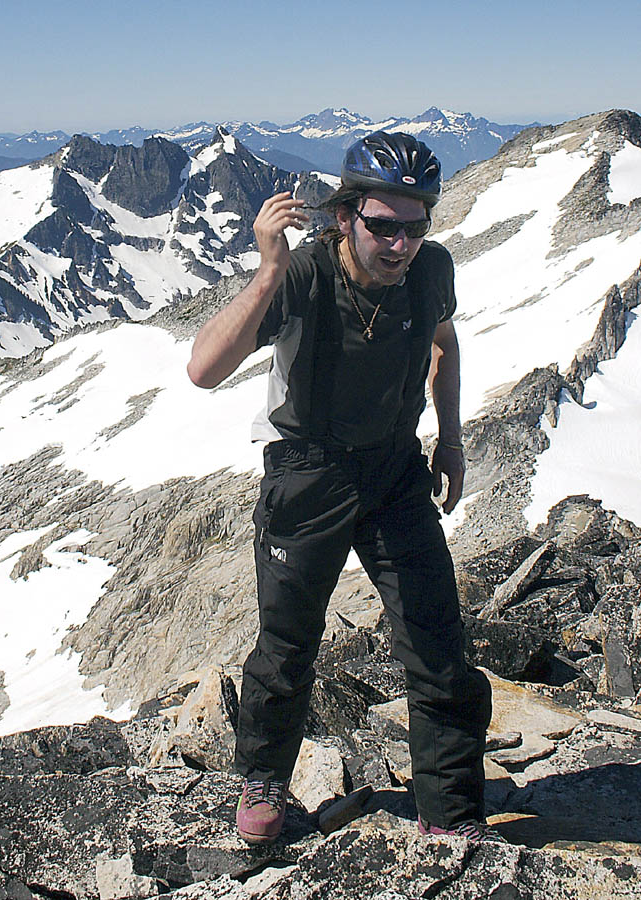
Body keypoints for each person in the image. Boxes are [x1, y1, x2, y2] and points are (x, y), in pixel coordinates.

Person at [187, 132, 501, 845]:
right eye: (382, 225)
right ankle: (265, 781)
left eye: (414, 225)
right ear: (343, 216)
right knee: (289, 641)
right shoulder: (303, 274)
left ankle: (451, 816)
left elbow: (443, 343)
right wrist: (268, 271)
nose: (399, 243)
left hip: (394, 470)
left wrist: (448, 439)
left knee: (437, 641)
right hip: (310, 472)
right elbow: (204, 368)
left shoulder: (430, 270)